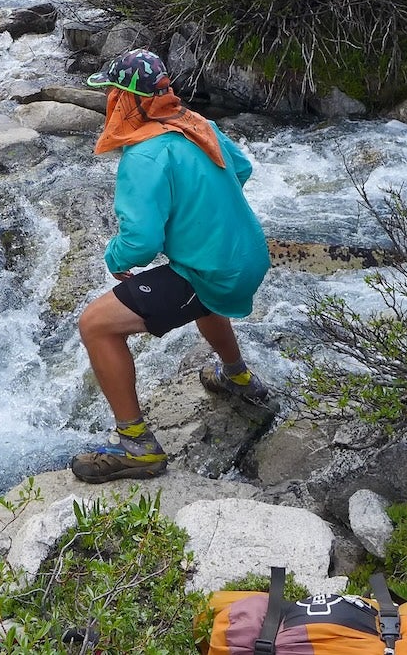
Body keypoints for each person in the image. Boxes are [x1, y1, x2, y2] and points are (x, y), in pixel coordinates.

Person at [69, 49, 273, 484]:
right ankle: (236, 376)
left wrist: (114, 258)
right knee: (201, 293)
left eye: (111, 92)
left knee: (96, 324)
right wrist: (204, 212)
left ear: (126, 100)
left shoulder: (144, 156)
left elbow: (141, 242)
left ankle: (136, 445)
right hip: (249, 254)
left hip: (213, 269)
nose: (107, 100)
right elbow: (241, 168)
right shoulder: (198, 124)